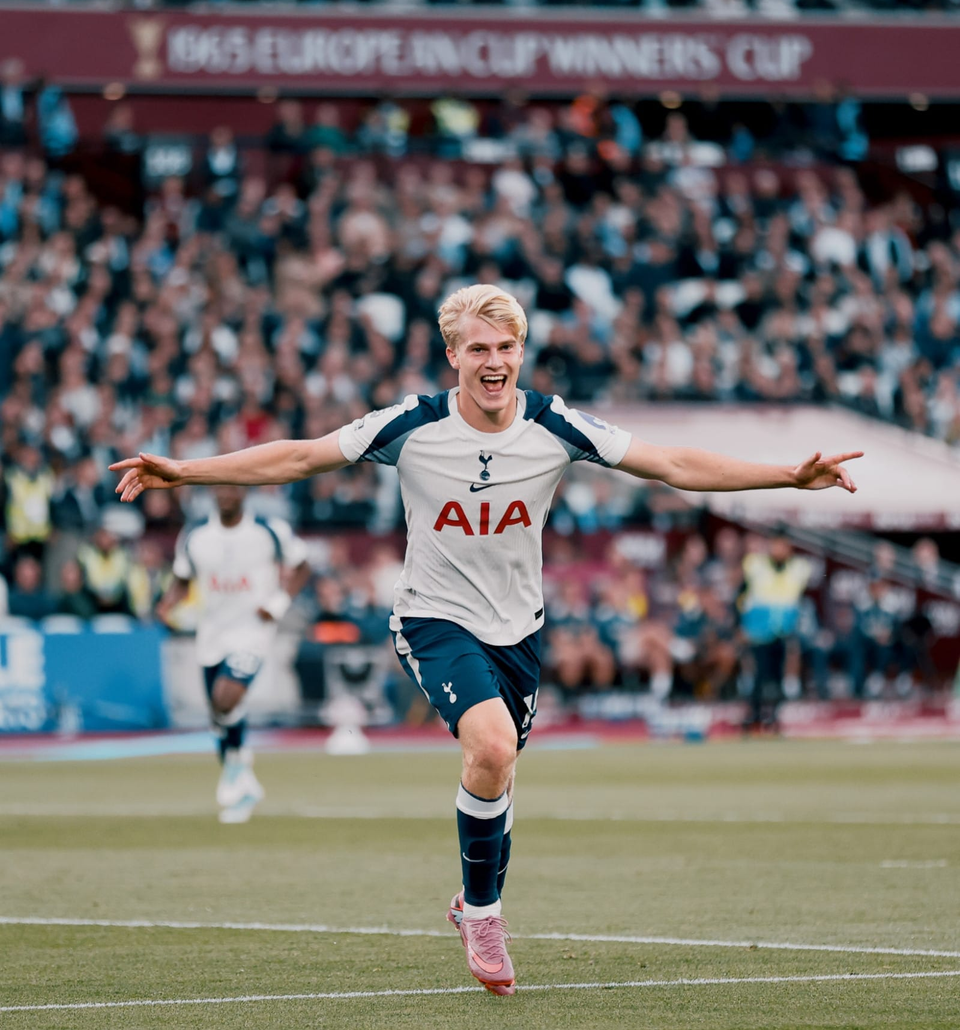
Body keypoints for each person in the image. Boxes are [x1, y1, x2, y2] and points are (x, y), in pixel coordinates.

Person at [111, 284, 862, 995]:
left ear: (521, 353)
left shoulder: (556, 425)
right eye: (478, 349)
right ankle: (485, 916)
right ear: (453, 356)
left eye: (506, 347)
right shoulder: (408, 425)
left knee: (496, 776)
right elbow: (301, 455)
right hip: (433, 619)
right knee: (493, 748)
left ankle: (474, 896)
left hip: (520, 630)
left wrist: (786, 478)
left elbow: (671, 464)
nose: (494, 362)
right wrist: (187, 473)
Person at [154, 485, 310, 824]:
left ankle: (238, 767)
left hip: (253, 630)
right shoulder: (196, 534)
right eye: (220, 488)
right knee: (219, 712)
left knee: (226, 699)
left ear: (244, 492)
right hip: (212, 632)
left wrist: (278, 603)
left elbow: (301, 566)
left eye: (232, 488)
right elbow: (183, 577)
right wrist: (168, 603)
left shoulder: (268, 530)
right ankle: (242, 781)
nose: (225, 494)